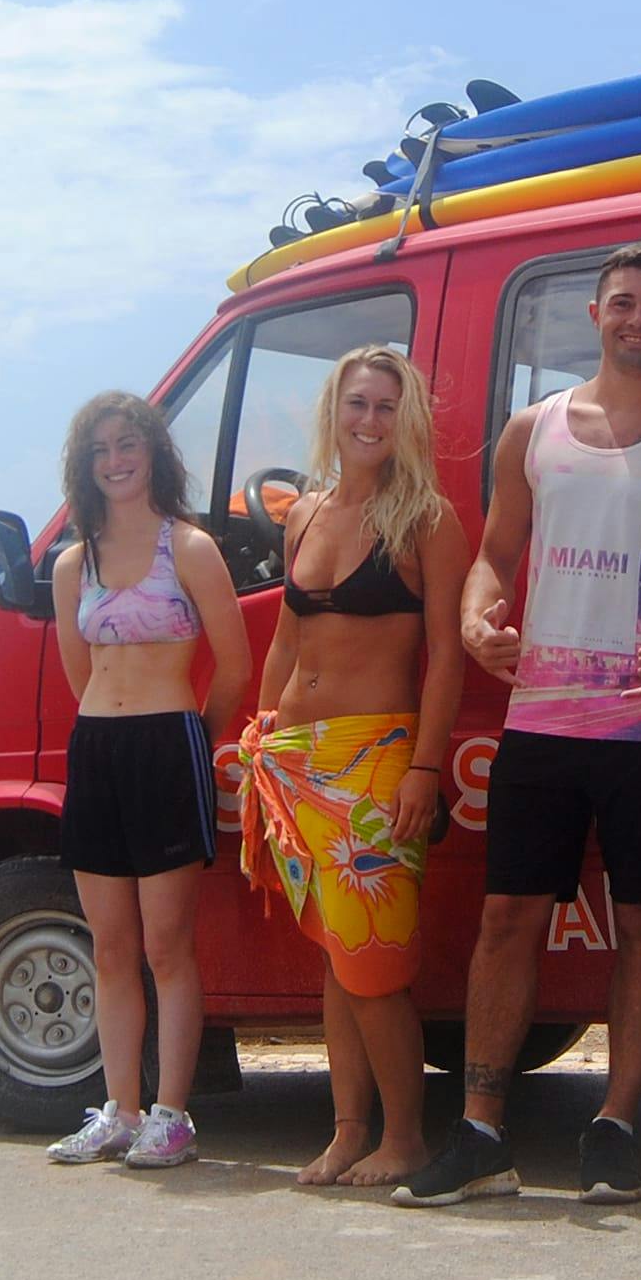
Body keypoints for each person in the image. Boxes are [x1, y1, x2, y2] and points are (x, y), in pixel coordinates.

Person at [396, 243, 641, 1208]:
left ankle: (616, 1125)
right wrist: (479, 617)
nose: (638, 319)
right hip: (542, 723)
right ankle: (479, 1134)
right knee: (506, 920)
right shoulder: (533, 430)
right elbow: (493, 556)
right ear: (594, 316)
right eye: (623, 303)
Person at [239, 345, 472, 1188]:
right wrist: (257, 737)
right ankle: (348, 1132)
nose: (368, 420)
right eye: (356, 404)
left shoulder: (428, 519)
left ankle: (405, 1139)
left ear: (404, 421)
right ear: (332, 412)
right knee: (336, 960)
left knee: (373, 963)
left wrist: (426, 768)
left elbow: (446, 656)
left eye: (385, 406)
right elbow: (287, 637)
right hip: (295, 759)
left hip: (375, 760)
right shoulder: (304, 513)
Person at [44, 392, 251, 1171]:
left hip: (171, 745)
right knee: (110, 947)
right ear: (83, 466)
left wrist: (193, 737)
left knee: (167, 946)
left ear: (152, 452)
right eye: (98, 450)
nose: (114, 460)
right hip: (97, 751)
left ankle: (172, 1115)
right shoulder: (74, 564)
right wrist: (112, 726)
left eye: (126, 444)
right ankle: (119, 1111)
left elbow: (234, 666)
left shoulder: (190, 547)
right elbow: (78, 671)